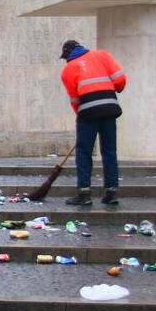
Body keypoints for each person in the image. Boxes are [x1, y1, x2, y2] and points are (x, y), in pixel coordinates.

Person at [60, 40, 127, 206]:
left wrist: (81, 116)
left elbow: (75, 99)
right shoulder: (102, 55)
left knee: (84, 153)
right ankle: (111, 192)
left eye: (65, 56)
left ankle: (84, 193)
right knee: (109, 151)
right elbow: (120, 78)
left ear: (68, 53)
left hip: (88, 111)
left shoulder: (68, 69)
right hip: (109, 108)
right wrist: (116, 88)